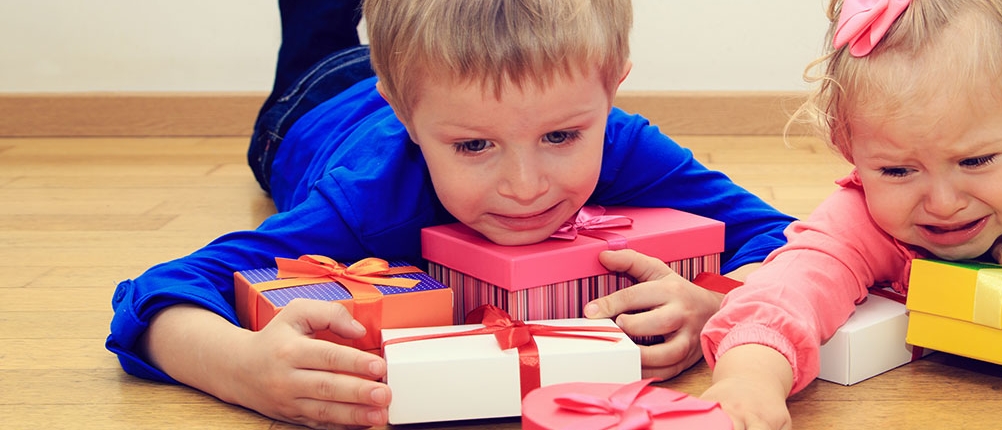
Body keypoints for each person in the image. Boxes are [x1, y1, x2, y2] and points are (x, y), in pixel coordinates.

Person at [105, 0, 795, 428]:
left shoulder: (623, 139)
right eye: (473, 146)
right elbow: (156, 294)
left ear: (611, 86)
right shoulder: (367, 199)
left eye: (561, 137)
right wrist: (240, 367)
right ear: (407, 117)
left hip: (410, 71)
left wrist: (714, 302)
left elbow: (781, 237)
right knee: (317, 23)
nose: (525, 186)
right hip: (309, 109)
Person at [697, 0, 1002, 428]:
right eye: (899, 170)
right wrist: (750, 375)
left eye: (975, 161)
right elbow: (795, 280)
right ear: (850, 151)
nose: (943, 204)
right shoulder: (865, 210)